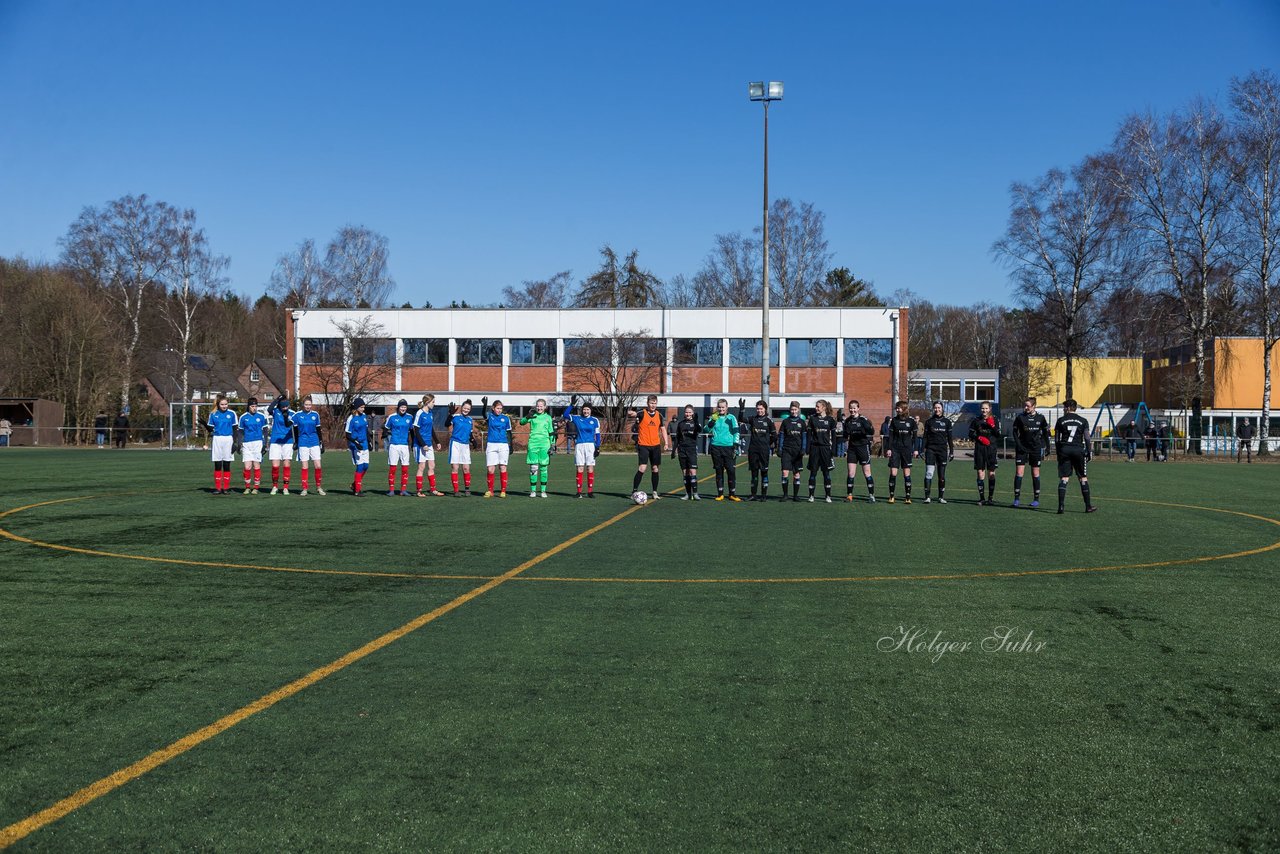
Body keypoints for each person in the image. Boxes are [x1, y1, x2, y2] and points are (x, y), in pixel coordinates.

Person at [1054, 398, 1097, 514]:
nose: (1063, 409)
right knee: (1082, 478)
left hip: (1064, 450)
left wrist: (1059, 452)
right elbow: (1087, 438)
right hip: (1078, 451)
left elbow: (1057, 439)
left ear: (1068, 408)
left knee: (1064, 478)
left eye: (1064, 407)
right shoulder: (1083, 421)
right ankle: (1088, 506)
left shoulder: (1060, 420)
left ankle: (1061, 506)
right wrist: (1089, 452)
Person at [1011, 396, 1052, 509]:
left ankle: (1036, 499)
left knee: (1035, 473)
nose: (1026, 408)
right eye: (1025, 405)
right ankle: (1016, 499)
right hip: (1022, 449)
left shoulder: (1041, 418)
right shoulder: (1020, 418)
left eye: (1028, 406)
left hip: (1035, 448)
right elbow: (1014, 432)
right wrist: (1019, 445)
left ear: (1034, 406)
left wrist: (1047, 447)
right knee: (1019, 472)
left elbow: (1045, 433)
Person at [630, 395, 669, 500]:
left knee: (655, 468)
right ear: (648, 403)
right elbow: (634, 415)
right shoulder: (641, 413)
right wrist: (631, 413)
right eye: (651, 403)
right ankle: (634, 491)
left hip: (655, 446)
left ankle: (655, 492)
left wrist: (666, 443)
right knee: (642, 468)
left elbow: (663, 429)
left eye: (655, 403)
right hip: (643, 445)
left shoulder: (659, 415)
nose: (653, 405)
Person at [702, 398, 741, 501]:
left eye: (723, 407)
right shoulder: (714, 417)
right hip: (715, 447)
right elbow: (706, 429)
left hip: (729, 447)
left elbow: (736, 431)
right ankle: (720, 494)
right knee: (719, 471)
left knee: (731, 471)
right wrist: (712, 421)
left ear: (727, 407)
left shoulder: (731, 418)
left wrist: (736, 445)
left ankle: (732, 494)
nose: (721, 409)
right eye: (719, 407)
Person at [883, 400, 918, 504]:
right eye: (896, 408)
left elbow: (915, 438)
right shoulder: (894, 421)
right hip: (895, 450)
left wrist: (915, 449)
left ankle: (908, 497)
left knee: (906, 473)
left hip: (906, 450)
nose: (897, 409)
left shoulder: (911, 421)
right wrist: (889, 449)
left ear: (904, 408)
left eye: (899, 408)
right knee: (893, 473)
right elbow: (891, 436)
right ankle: (891, 496)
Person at [842, 400, 876, 503]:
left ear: (858, 408)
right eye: (850, 408)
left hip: (863, 448)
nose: (852, 410)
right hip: (852, 449)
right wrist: (845, 433)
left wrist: (866, 428)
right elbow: (845, 435)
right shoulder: (847, 421)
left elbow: (871, 431)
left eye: (854, 408)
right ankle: (849, 496)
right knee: (851, 473)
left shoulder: (863, 419)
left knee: (867, 473)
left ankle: (871, 496)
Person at [565, 398, 601, 498]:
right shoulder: (577, 418)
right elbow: (565, 415)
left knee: (590, 468)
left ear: (590, 410)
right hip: (579, 445)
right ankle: (579, 492)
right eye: (584, 409)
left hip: (590, 446)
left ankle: (590, 491)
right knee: (580, 468)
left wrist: (597, 447)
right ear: (582, 410)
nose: (586, 411)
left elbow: (597, 435)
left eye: (588, 409)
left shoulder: (594, 420)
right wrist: (571, 404)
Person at [520, 398, 555, 497]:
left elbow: (551, 431)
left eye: (541, 406)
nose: (539, 408)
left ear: (545, 407)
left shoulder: (548, 418)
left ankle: (543, 491)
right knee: (533, 467)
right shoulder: (532, 415)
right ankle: (533, 491)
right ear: (536, 406)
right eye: (538, 406)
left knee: (544, 467)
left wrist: (552, 445)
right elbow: (521, 422)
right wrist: (527, 417)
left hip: (544, 444)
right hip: (533, 444)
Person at [921, 401, 954, 504]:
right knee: (929, 473)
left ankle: (941, 497)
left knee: (942, 476)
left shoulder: (947, 422)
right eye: (935, 407)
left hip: (942, 451)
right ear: (933, 409)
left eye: (939, 407)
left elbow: (950, 438)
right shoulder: (929, 422)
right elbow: (925, 437)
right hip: (931, 450)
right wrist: (922, 450)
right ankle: (927, 497)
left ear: (942, 408)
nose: (937, 409)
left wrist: (952, 452)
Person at [968, 401, 1001, 505]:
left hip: (991, 449)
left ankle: (990, 498)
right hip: (980, 449)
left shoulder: (995, 419)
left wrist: (992, 426)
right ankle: (981, 498)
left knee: (991, 473)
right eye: (983, 408)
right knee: (980, 473)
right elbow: (970, 433)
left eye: (986, 408)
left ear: (990, 409)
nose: (984, 410)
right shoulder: (976, 420)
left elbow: (998, 434)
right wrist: (979, 438)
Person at [743, 400, 777, 501]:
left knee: (764, 472)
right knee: (754, 472)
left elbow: (774, 436)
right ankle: (753, 494)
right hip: (753, 450)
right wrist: (741, 409)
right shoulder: (753, 419)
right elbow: (741, 419)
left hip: (764, 451)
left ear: (765, 409)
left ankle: (763, 495)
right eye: (758, 408)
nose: (759, 410)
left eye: (761, 408)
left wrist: (767, 443)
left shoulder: (769, 421)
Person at [293, 394, 326, 496]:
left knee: (318, 465)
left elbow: (318, 429)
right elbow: (294, 429)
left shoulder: (315, 415)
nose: (308, 406)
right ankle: (304, 489)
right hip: (303, 442)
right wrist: (296, 442)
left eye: (310, 404)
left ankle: (319, 487)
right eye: (306, 404)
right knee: (304, 466)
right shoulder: (297, 415)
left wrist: (321, 442)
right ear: (303, 405)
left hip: (314, 442)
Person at [205, 395, 238, 494]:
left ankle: (226, 488)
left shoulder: (232, 414)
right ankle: (218, 488)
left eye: (226, 404)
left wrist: (235, 442)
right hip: (217, 439)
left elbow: (235, 428)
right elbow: (211, 429)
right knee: (218, 464)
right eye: (222, 404)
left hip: (228, 439)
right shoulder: (213, 414)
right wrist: (206, 426)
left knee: (227, 464)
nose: (224, 406)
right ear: (218, 405)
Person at [412, 394, 444, 497]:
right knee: (421, 467)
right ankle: (419, 491)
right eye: (433, 402)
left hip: (428, 444)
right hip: (420, 444)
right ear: (427, 403)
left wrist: (437, 441)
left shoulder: (430, 413)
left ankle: (433, 490)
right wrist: (423, 444)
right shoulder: (419, 413)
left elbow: (431, 429)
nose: (434, 404)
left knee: (432, 466)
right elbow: (416, 430)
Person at [480, 398, 514, 497]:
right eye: (497, 408)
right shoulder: (490, 417)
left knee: (502, 467)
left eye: (501, 408)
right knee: (491, 469)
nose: (499, 410)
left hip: (503, 445)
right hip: (491, 444)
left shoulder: (506, 418)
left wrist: (511, 445)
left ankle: (503, 491)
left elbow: (509, 432)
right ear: (493, 408)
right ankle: (490, 491)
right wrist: (484, 406)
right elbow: (483, 414)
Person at [806, 399, 837, 503]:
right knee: (813, 473)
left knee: (826, 473)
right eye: (816, 406)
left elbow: (834, 436)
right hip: (815, 448)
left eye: (818, 406)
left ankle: (828, 496)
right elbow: (809, 435)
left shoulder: (831, 420)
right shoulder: (812, 419)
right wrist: (808, 447)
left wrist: (833, 449)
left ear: (823, 407)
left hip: (825, 449)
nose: (816, 408)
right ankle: (811, 496)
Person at [383, 398, 414, 496]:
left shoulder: (410, 417)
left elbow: (412, 431)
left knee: (405, 468)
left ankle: (403, 490)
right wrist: (384, 436)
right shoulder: (392, 417)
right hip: (394, 446)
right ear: (398, 407)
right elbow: (386, 428)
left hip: (404, 446)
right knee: (393, 468)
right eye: (402, 407)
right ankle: (391, 490)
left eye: (405, 407)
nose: (403, 409)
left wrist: (413, 443)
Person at [671, 405, 703, 500]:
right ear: (684, 413)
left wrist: (696, 422)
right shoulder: (680, 424)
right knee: (685, 473)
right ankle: (688, 494)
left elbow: (699, 430)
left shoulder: (696, 423)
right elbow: (677, 438)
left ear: (692, 413)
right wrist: (673, 450)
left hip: (691, 450)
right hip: (682, 450)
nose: (688, 414)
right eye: (686, 412)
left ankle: (695, 493)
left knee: (692, 471)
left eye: (689, 412)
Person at [237, 397, 268, 493]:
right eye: (252, 406)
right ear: (248, 406)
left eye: (256, 406)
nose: (254, 408)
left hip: (258, 443)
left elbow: (265, 431)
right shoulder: (243, 417)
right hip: (247, 444)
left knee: (256, 466)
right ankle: (247, 487)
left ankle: (256, 487)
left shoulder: (262, 417)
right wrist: (238, 444)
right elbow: (240, 432)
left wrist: (265, 444)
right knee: (247, 467)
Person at [778, 401, 807, 501]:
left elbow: (804, 437)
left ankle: (795, 496)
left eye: (795, 410)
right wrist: (779, 448)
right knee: (785, 472)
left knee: (796, 474)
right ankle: (785, 495)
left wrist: (803, 448)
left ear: (798, 410)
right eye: (792, 410)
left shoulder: (802, 422)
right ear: (789, 410)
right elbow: (781, 436)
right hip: (787, 450)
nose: (793, 411)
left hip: (797, 451)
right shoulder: (785, 422)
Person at [267, 394, 294, 494]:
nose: (285, 408)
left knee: (286, 464)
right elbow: (269, 409)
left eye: (286, 406)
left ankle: (285, 487)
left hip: (287, 441)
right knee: (275, 465)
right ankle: (275, 486)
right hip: (275, 441)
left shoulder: (292, 413)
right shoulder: (275, 412)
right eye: (283, 406)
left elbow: (290, 425)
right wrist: (276, 400)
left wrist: (287, 419)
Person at [344, 398, 371, 496]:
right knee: (360, 466)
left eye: (364, 407)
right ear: (356, 407)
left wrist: (370, 441)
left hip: (364, 444)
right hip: (355, 445)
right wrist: (356, 443)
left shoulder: (364, 416)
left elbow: (366, 430)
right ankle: (357, 490)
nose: (363, 409)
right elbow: (348, 435)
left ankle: (354, 484)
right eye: (361, 407)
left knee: (366, 466)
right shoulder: (351, 418)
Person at [448, 399, 475, 496]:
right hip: (455, 443)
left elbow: (470, 433)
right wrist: (450, 414)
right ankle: (456, 490)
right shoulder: (455, 417)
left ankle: (467, 489)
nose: (466, 410)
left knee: (466, 468)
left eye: (468, 409)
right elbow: (446, 424)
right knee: (455, 467)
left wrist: (473, 440)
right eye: (464, 408)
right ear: (461, 408)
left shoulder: (470, 420)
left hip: (465, 445)